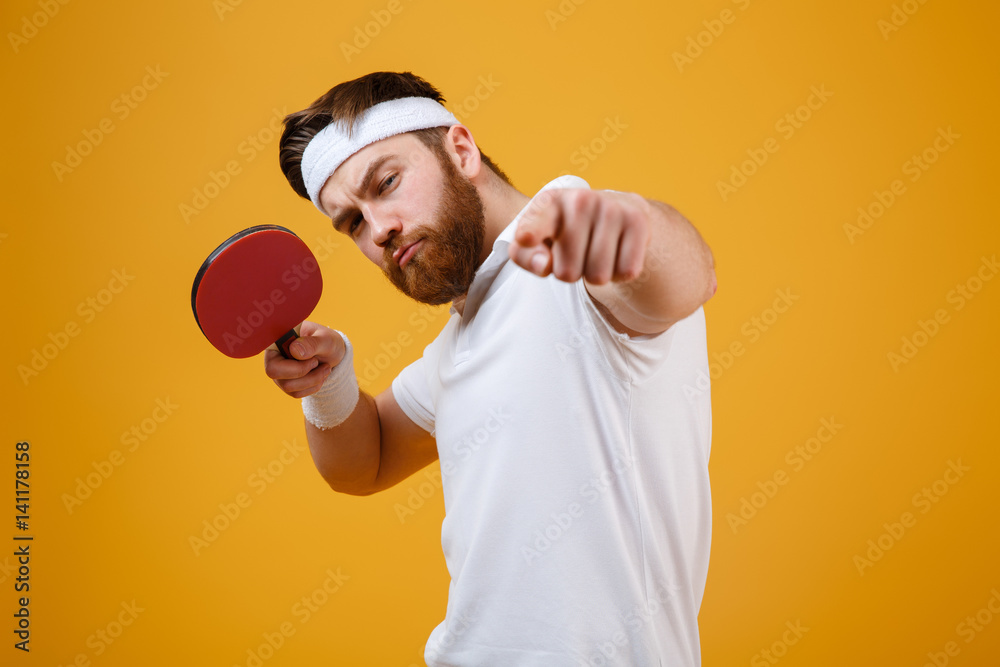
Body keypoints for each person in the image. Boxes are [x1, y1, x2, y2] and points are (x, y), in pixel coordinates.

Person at [266, 71, 717, 666]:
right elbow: (364, 461)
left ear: (460, 149)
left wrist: (623, 231)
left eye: (387, 183)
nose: (379, 230)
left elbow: (683, 278)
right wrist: (329, 384)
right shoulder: (462, 337)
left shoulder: (575, 265)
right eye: (352, 223)